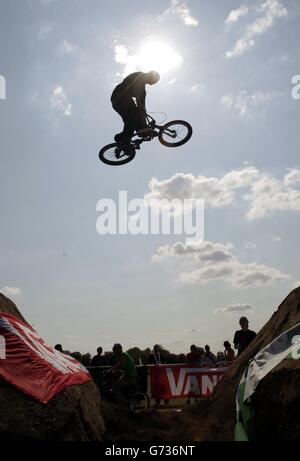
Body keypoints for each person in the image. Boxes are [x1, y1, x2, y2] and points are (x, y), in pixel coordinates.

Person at [111, 71, 160, 147]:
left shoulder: (143, 90)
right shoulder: (140, 76)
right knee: (134, 114)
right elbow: (137, 90)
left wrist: (143, 112)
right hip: (120, 97)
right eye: (154, 81)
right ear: (152, 76)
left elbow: (142, 103)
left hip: (119, 101)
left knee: (131, 122)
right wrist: (140, 105)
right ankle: (141, 129)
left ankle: (123, 140)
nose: (152, 84)